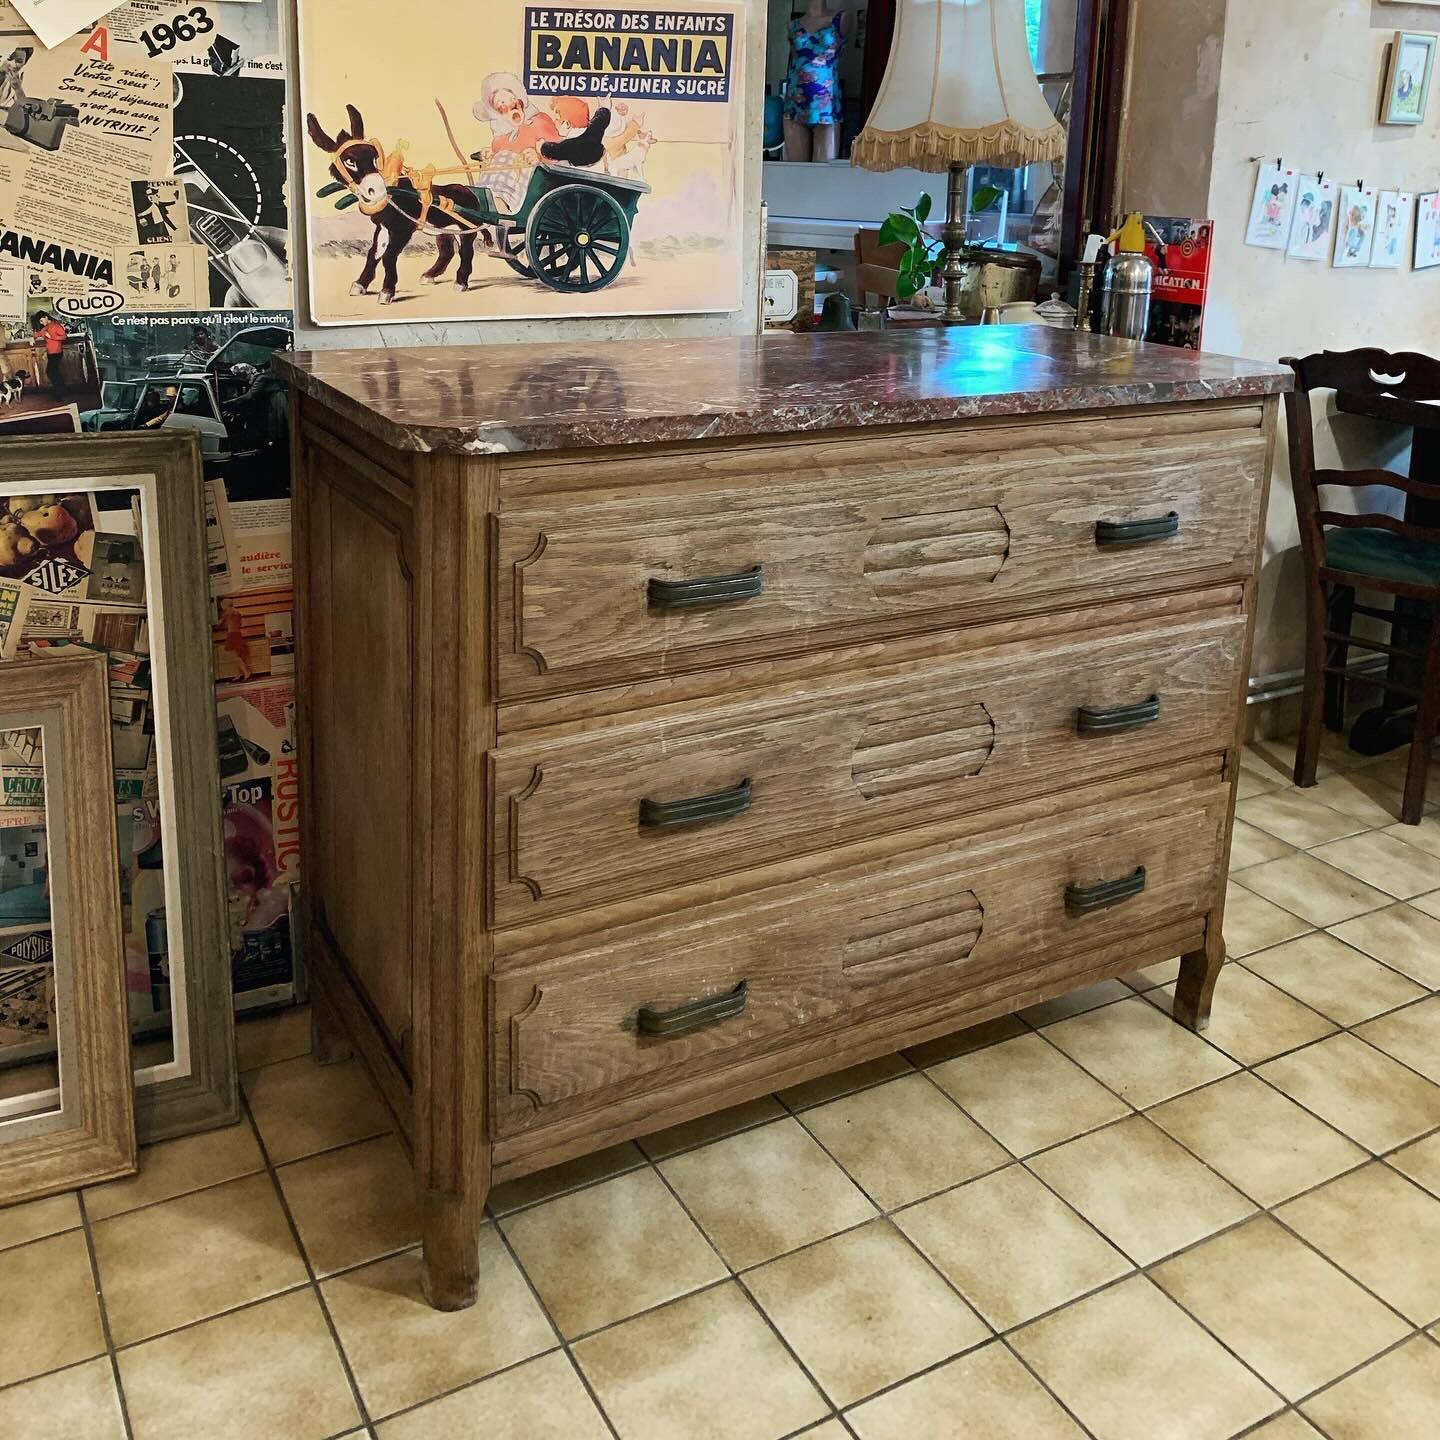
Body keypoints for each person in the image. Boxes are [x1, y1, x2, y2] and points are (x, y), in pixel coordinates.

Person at [31, 310, 66, 393]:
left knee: (51, 372)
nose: (41, 323)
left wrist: (51, 336)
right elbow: (39, 333)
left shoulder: (56, 325)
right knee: (54, 372)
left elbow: (64, 336)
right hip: (50, 353)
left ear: (46, 317)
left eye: (41, 320)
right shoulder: (46, 327)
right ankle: (62, 389)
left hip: (57, 353)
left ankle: (59, 391)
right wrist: (32, 337)